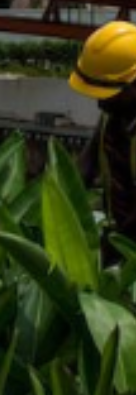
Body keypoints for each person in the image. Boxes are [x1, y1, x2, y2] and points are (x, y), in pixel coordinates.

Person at [68, 19, 136, 263]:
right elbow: (83, 169)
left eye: (108, 93)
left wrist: (119, 244)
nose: (100, 103)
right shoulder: (116, 113)